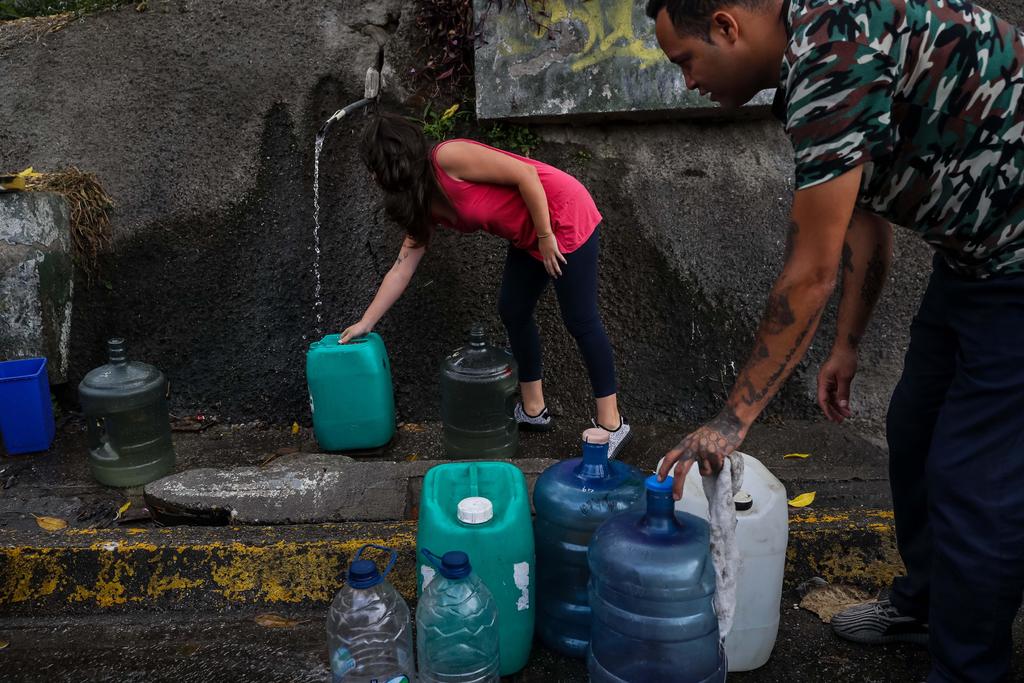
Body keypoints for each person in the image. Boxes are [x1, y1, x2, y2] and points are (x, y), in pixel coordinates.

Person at [646, 0, 1024, 680]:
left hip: (1016, 264)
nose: (688, 82)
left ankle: (968, 667)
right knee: (915, 428)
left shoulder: (828, 49)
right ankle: (929, 606)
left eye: (687, 61)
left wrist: (733, 419)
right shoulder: (811, 57)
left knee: (975, 481)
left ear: (727, 26)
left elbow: (808, 273)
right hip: (976, 257)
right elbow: (862, 219)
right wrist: (846, 343)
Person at [342, 113, 631, 457]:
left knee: (580, 319)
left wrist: (545, 236)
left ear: (392, 161)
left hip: (561, 213)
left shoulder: (447, 157)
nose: (372, 177)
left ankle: (612, 424)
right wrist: (367, 322)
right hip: (528, 234)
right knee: (513, 309)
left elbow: (526, 174)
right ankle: (533, 409)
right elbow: (401, 268)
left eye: (373, 167)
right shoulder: (420, 201)